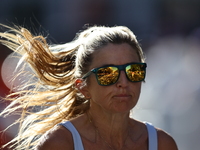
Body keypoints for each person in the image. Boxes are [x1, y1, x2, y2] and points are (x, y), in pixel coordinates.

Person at [0, 24, 178, 150]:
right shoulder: (61, 144)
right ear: (82, 87)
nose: (123, 82)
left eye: (133, 71)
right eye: (107, 73)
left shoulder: (161, 143)